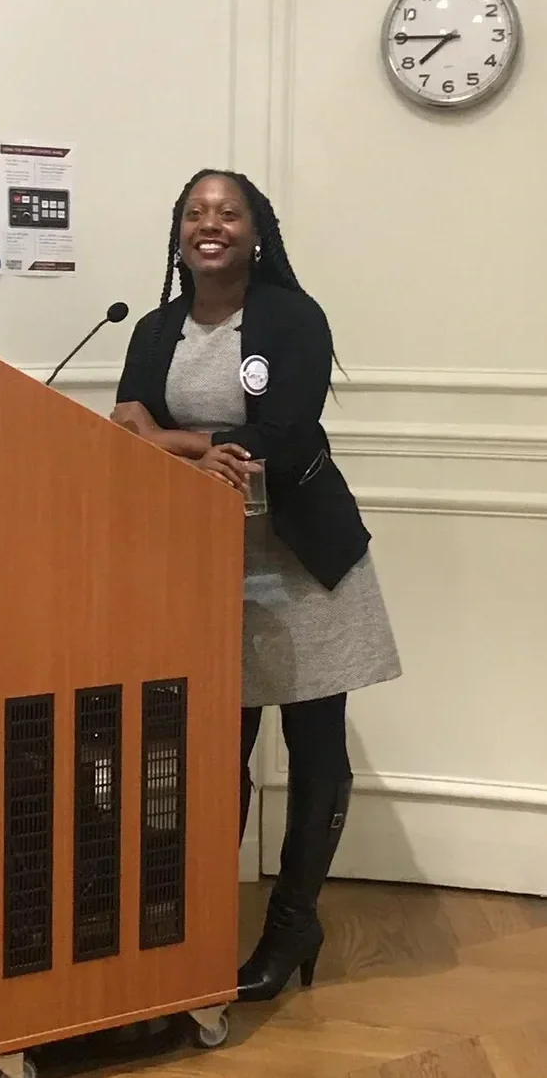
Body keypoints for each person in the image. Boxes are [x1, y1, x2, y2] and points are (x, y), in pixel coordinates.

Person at [111, 169, 401, 1002]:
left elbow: (283, 430)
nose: (211, 225)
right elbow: (120, 432)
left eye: (227, 213)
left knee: (314, 751)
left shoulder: (289, 317)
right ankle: (199, 918)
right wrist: (197, 449)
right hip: (206, 575)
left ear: (254, 232)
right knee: (211, 754)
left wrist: (166, 436)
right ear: (178, 234)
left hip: (304, 566)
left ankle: (290, 924)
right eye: (195, 214)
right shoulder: (157, 328)